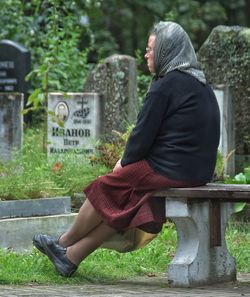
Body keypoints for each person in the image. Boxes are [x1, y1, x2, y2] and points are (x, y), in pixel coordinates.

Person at [33, 21, 220, 277]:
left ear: (167, 51)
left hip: (172, 168)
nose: (146, 54)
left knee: (105, 186)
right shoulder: (200, 83)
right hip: (198, 170)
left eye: (151, 49)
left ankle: (62, 243)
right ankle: (70, 257)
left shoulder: (165, 85)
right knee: (132, 203)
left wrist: (125, 161)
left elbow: (142, 135)